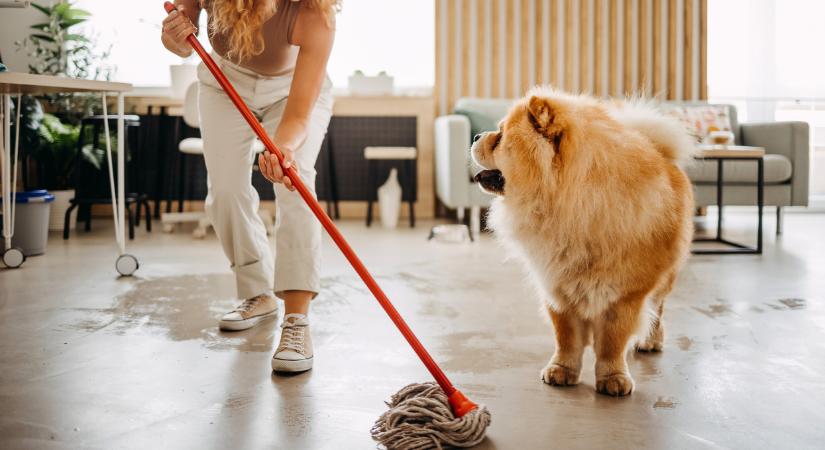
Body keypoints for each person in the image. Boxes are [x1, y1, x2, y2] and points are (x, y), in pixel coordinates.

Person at [161, 0, 338, 373]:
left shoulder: (314, 13)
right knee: (225, 189)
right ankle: (257, 292)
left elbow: (299, 114)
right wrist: (173, 36)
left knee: (296, 181)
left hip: (293, 91)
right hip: (224, 82)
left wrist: (284, 149)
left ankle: (296, 318)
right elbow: (180, 41)